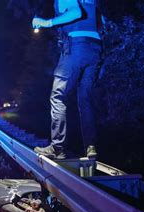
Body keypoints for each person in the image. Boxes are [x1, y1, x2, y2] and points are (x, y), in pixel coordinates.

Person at [32, 0, 103, 159]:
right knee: (85, 98)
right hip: (95, 48)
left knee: (58, 96)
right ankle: (91, 147)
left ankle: (58, 148)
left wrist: (47, 22)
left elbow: (76, 12)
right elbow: (101, 21)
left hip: (76, 47)